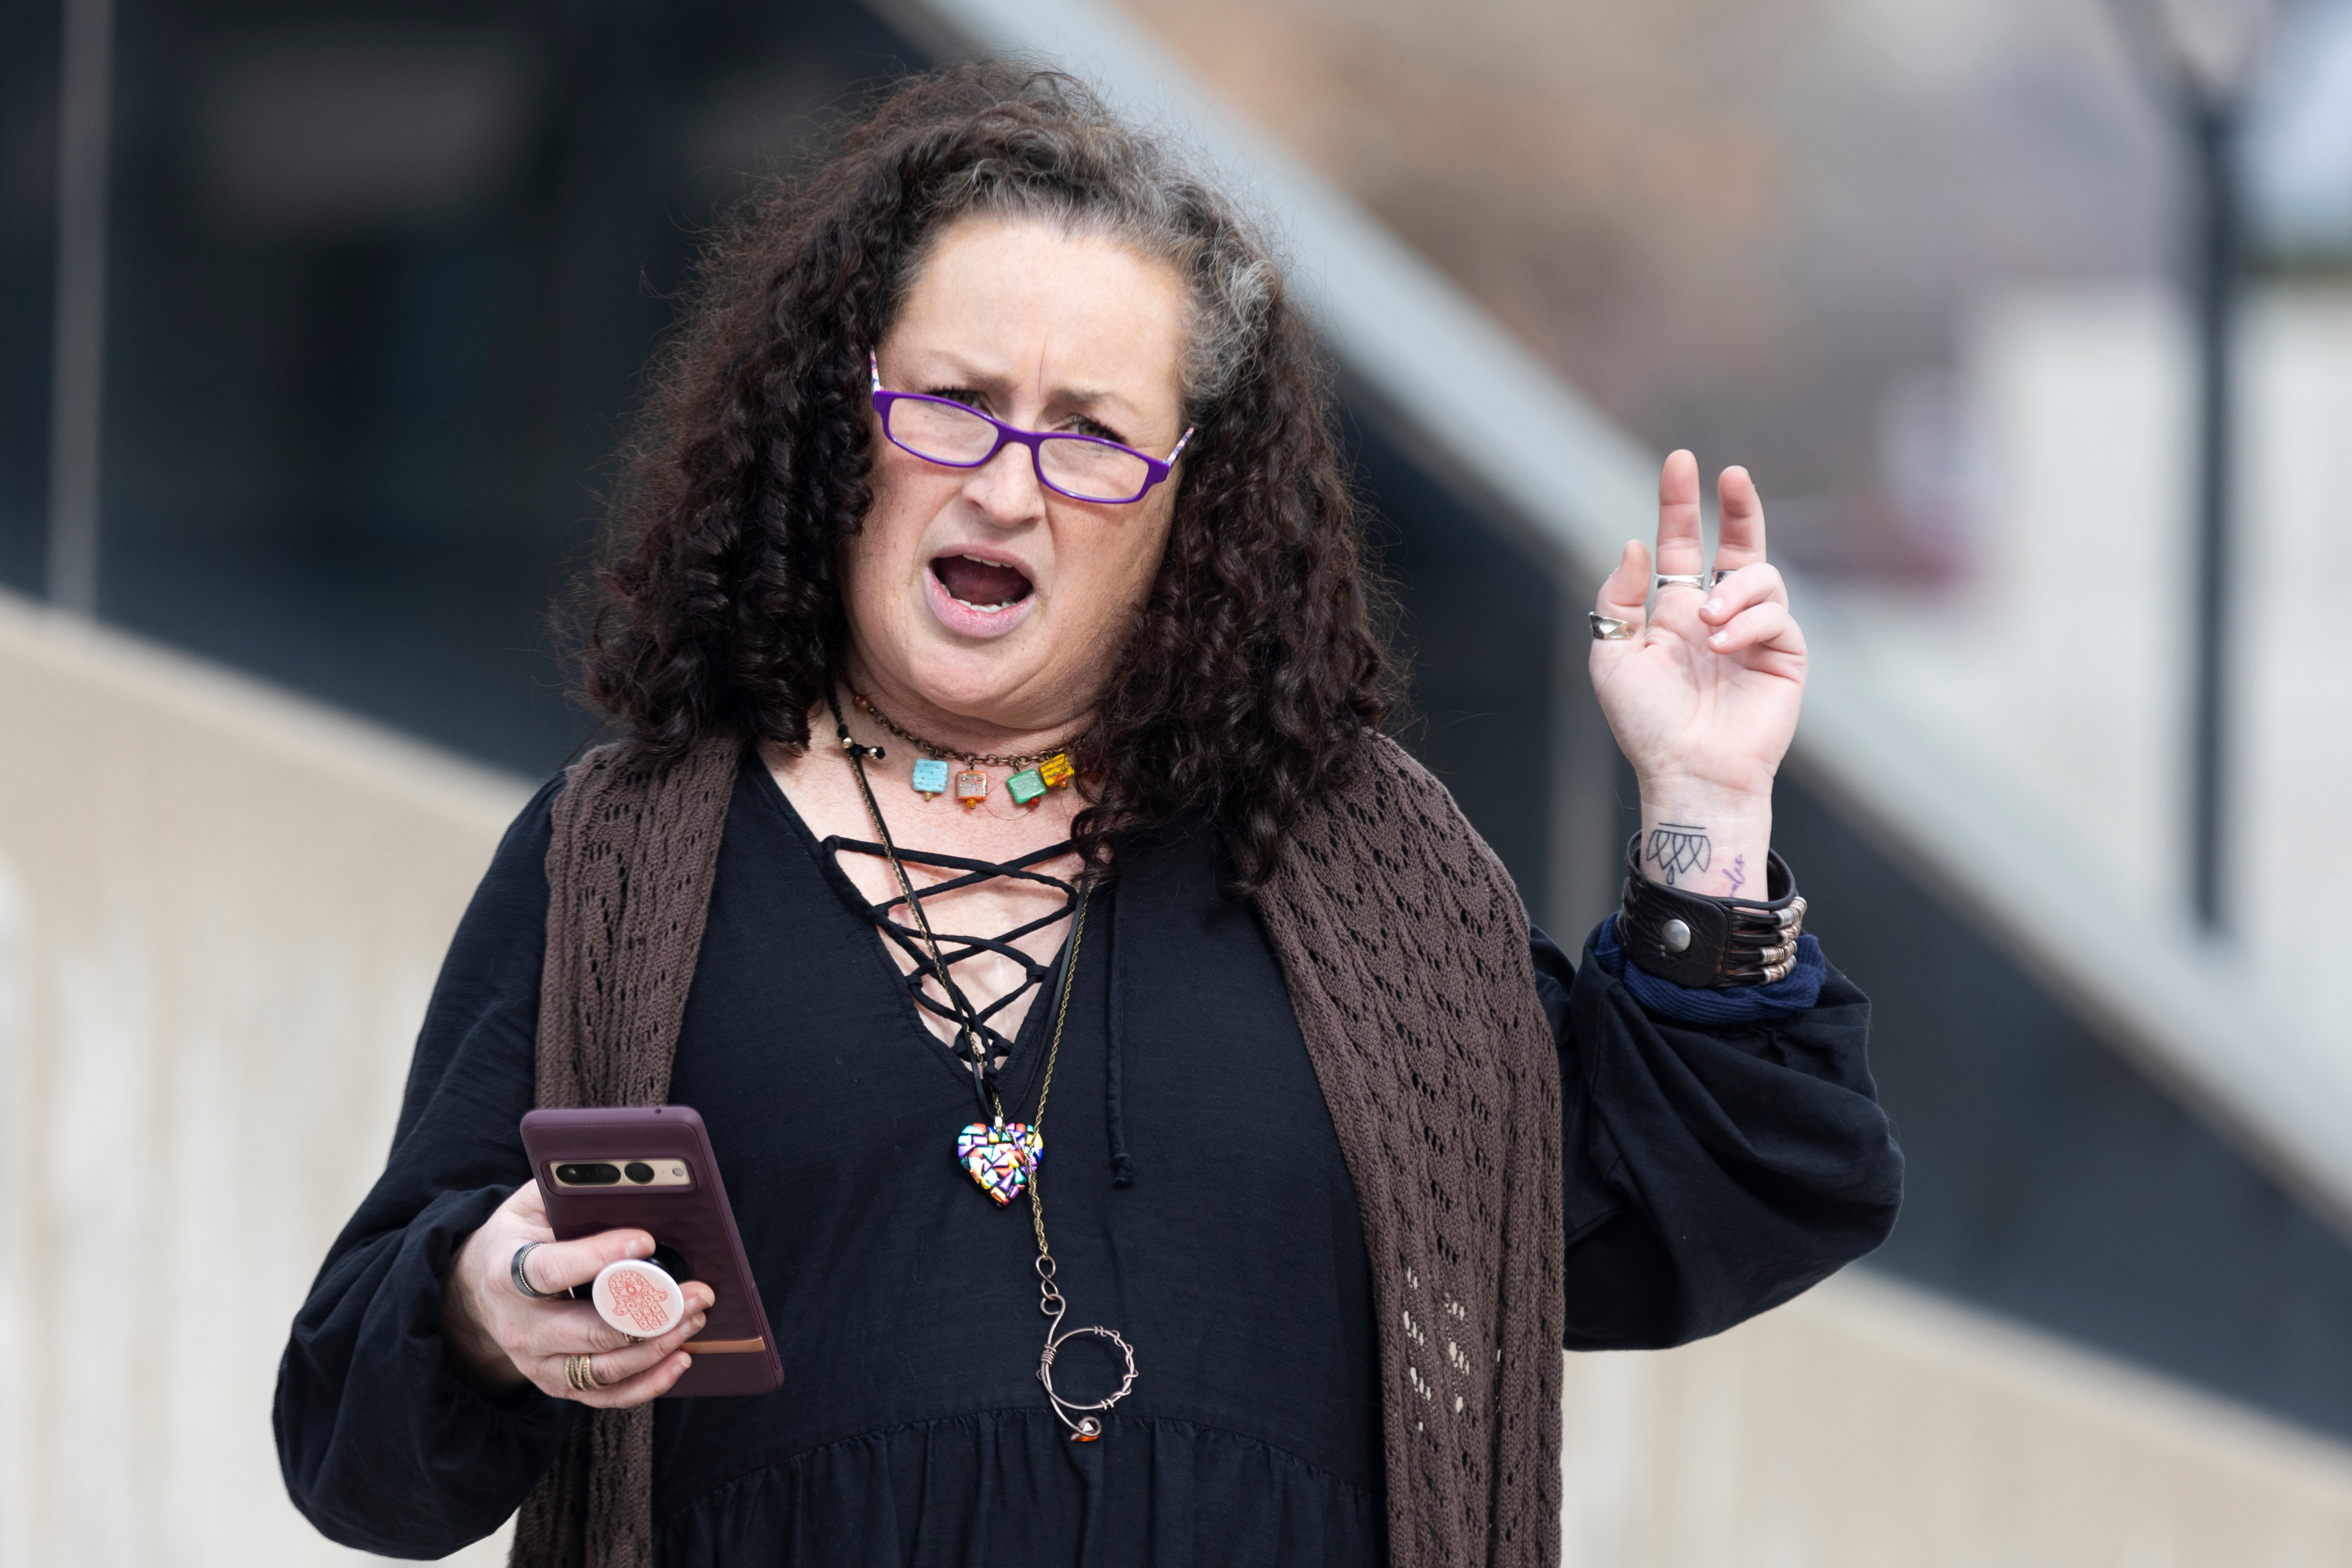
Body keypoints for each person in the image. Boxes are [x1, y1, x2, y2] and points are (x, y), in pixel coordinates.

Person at [274, 64, 1900, 1568]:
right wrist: (488, 1302)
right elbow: (359, 1439)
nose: (1006, 483)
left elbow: (1713, 1198)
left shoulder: (1353, 875)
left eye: (1092, 435)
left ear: (1194, 509)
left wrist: (1706, 800)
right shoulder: (623, 864)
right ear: (844, 433)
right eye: (955, 403)